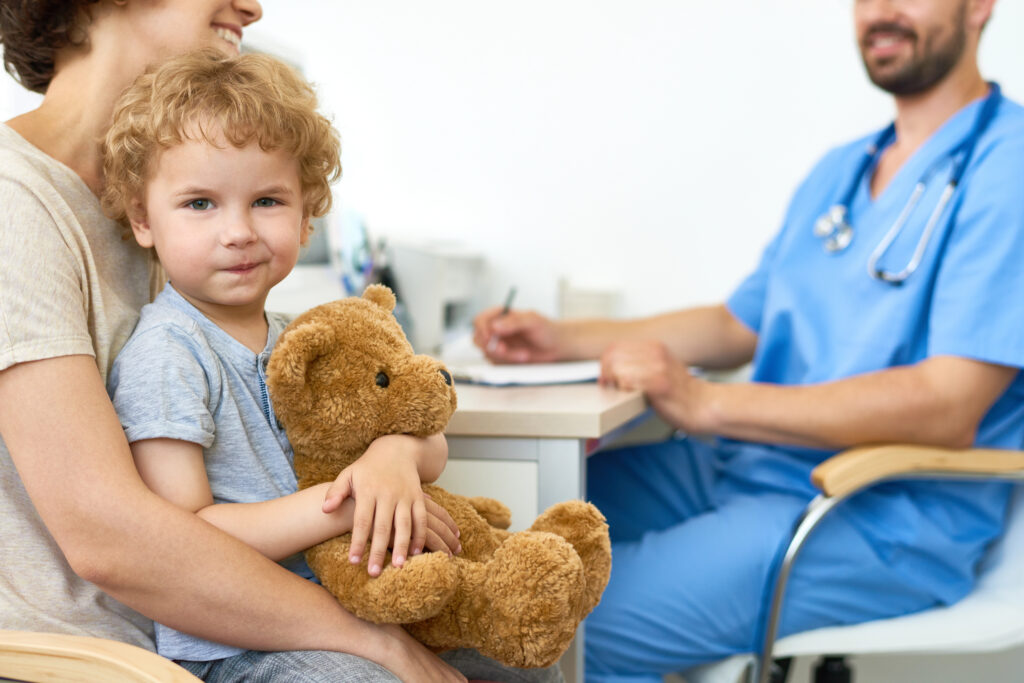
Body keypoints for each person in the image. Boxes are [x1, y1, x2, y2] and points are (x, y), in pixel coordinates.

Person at [0, 2, 561, 682]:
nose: (253, 6)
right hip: (111, 654)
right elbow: (112, 542)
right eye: (202, 204)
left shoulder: (173, 205)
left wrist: (395, 451)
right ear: (149, 216)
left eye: (268, 201)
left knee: (523, 661)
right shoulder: (17, 207)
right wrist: (374, 640)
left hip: (255, 611)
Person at [474, 0, 1024, 680]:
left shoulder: (1009, 167)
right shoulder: (842, 171)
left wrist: (706, 405)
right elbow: (740, 323)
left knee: (565, 623)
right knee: (506, 519)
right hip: (750, 466)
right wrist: (561, 337)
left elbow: (949, 403)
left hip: (874, 506)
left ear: (981, 7)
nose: (880, 10)